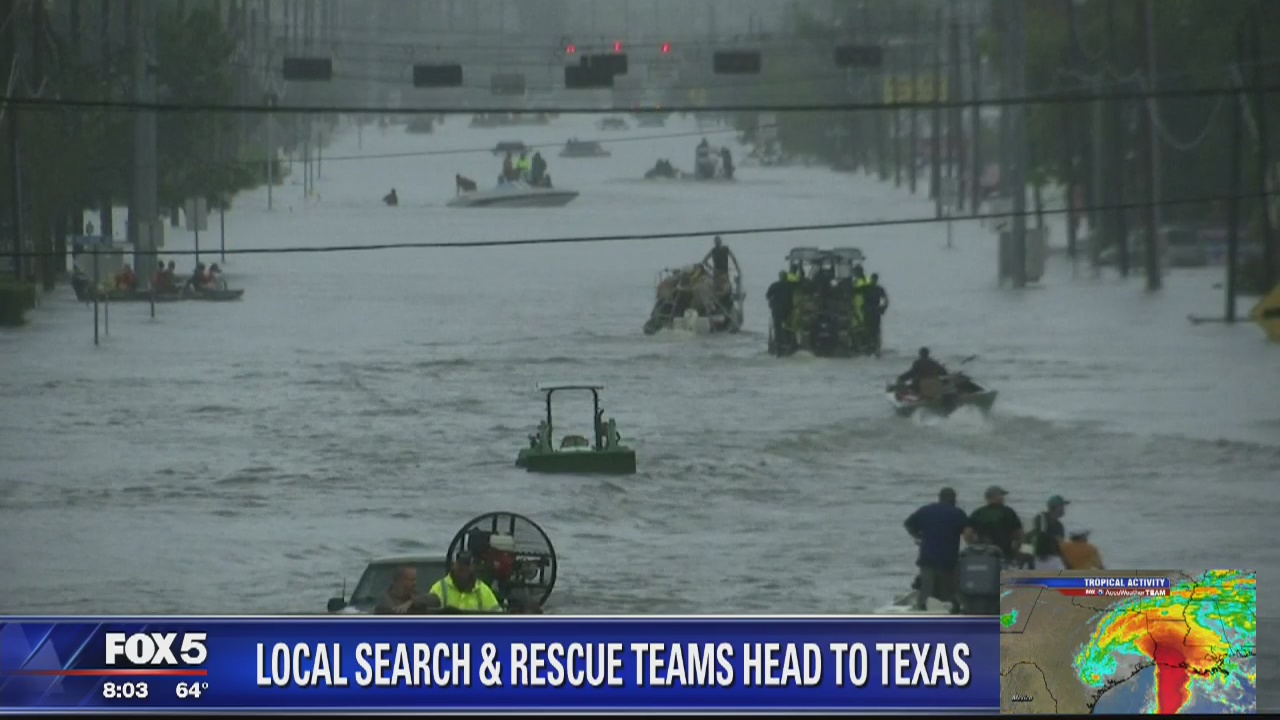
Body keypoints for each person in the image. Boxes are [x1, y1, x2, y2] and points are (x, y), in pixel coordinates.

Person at [904, 487, 969, 613]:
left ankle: (921, 611)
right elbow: (967, 532)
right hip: (948, 558)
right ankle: (950, 612)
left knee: (926, 589)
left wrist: (918, 536)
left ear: (939, 497)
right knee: (948, 591)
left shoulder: (926, 510)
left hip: (927, 556)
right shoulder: (957, 513)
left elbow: (908, 524)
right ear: (954, 499)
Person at [963, 485, 1024, 563]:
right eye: (1001, 495)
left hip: (983, 553)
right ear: (996, 496)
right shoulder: (1008, 512)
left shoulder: (978, 512)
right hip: (1004, 553)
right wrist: (1016, 548)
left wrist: (973, 546)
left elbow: (967, 533)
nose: (1003, 498)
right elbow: (1019, 533)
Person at [428, 552, 502, 612]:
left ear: (472, 567)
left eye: (466, 565)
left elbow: (498, 618)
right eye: (460, 565)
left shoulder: (483, 591)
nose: (463, 569)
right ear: (454, 566)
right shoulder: (439, 588)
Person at [1028, 496, 1069, 571]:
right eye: (1061, 506)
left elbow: (1060, 545)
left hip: (1052, 558)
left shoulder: (1059, 525)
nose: (1063, 509)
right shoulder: (1042, 517)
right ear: (1054, 507)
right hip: (1039, 557)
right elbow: (1040, 535)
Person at [703, 236, 738, 307]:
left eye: (717, 241)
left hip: (721, 272)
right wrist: (712, 269)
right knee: (720, 289)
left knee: (722, 289)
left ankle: (721, 303)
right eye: (717, 241)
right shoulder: (718, 250)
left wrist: (711, 268)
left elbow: (705, 261)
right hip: (719, 273)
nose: (717, 243)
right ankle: (719, 304)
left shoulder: (722, 250)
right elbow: (705, 261)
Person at [766, 270, 794, 350]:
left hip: (777, 310)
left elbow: (767, 296)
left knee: (777, 327)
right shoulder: (790, 286)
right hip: (788, 310)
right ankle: (789, 341)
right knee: (789, 326)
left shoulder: (774, 285)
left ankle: (778, 343)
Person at [865, 273, 889, 353]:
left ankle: (875, 347)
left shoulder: (876, 289)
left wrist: (882, 309)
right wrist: (882, 309)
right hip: (868, 311)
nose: (873, 280)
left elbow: (886, 300)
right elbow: (886, 300)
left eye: (874, 279)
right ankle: (871, 346)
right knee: (869, 329)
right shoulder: (867, 288)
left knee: (875, 330)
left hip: (873, 311)